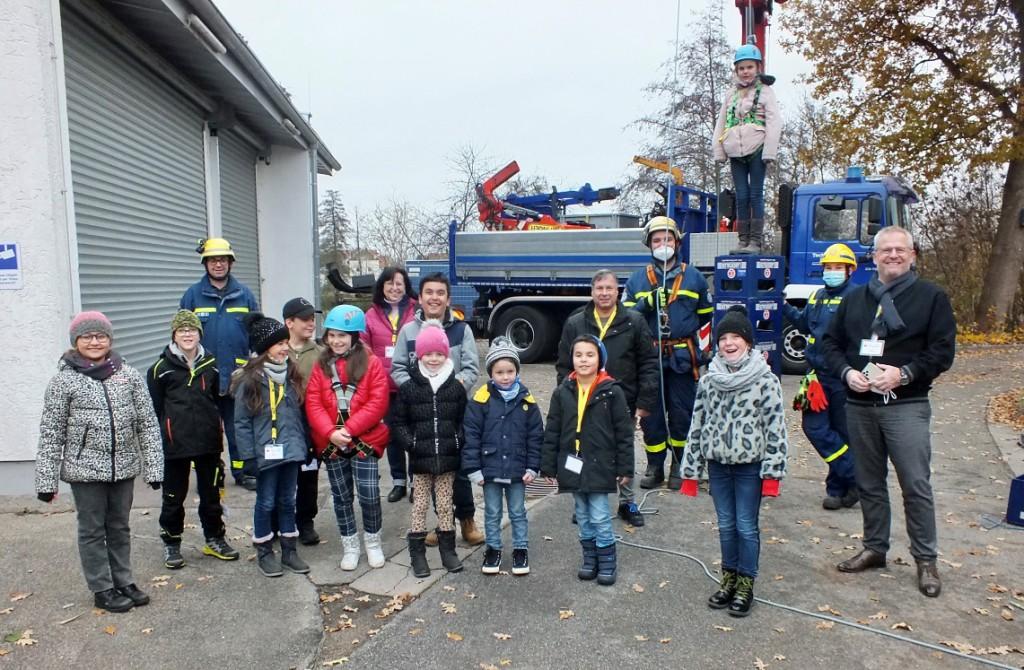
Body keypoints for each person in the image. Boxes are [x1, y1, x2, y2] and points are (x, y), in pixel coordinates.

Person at [821, 226, 956, 598]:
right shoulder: (855, 299)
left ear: (912, 255)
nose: (893, 255)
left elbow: (943, 351)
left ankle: (925, 560)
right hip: (860, 406)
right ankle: (875, 548)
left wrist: (905, 374)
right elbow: (830, 343)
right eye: (886, 250)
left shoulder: (931, 297)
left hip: (906, 405)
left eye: (900, 249)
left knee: (915, 484)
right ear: (874, 256)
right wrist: (846, 373)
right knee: (869, 482)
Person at [35, 311, 163, 612]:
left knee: (119, 527)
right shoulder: (63, 381)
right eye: (87, 336)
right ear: (76, 341)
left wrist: (154, 467)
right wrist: (46, 480)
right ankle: (102, 587)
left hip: (124, 467)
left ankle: (124, 580)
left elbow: (147, 423)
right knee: (92, 530)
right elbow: (51, 432)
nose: (95, 342)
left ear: (110, 339)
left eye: (101, 336)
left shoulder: (128, 375)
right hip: (85, 471)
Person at [679, 306, 789, 617]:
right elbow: (697, 424)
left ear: (748, 342)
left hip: (749, 468)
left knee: (745, 526)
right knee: (726, 525)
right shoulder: (709, 381)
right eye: (723, 338)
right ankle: (728, 579)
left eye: (735, 337)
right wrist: (690, 470)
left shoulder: (765, 380)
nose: (728, 343)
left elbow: (776, 429)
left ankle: (745, 584)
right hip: (719, 467)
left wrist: (772, 473)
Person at [557, 269, 658, 527]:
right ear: (592, 292)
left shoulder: (634, 321)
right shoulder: (576, 323)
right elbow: (563, 365)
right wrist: (566, 399)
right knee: (584, 448)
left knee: (624, 447)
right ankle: (583, 499)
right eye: (599, 288)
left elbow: (648, 363)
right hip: (584, 401)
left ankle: (627, 502)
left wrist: (645, 401)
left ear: (618, 291)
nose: (604, 293)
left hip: (622, 399)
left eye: (609, 288)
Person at [391, 272, 484, 546]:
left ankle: (467, 520)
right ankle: (443, 523)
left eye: (440, 293)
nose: (435, 298)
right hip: (421, 416)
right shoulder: (408, 331)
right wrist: (417, 393)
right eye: (429, 292)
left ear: (448, 299)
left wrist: (450, 391)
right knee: (429, 467)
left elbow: (471, 369)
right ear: (420, 298)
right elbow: (398, 368)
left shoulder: (462, 330)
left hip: (453, 414)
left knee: (460, 468)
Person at [623, 216, 713, 491]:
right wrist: (647, 303)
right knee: (651, 416)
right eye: (657, 240)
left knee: (681, 413)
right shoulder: (637, 280)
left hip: (682, 359)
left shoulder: (694, 277)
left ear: (677, 242)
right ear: (649, 245)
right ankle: (654, 466)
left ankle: (679, 465)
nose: (663, 244)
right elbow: (625, 318)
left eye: (668, 239)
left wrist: (695, 346)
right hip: (650, 358)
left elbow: (705, 317)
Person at [147, 310, 239, 570]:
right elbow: (154, 409)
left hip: (208, 443)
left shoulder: (211, 365)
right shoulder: (159, 370)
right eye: (182, 330)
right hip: (175, 445)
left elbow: (218, 401)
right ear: (174, 335)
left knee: (211, 496)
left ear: (200, 333)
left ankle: (214, 539)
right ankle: (172, 542)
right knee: (173, 497)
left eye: (192, 330)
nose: (187, 334)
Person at [541, 335, 634, 586]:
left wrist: (626, 467)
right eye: (578, 355)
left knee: (600, 515)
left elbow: (624, 433)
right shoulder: (562, 391)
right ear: (571, 358)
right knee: (582, 515)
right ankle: (590, 558)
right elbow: (552, 430)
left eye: (590, 355)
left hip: (600, 464)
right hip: (572, 464)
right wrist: (547, 466)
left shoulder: (612, 392)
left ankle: (607, 561)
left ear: (600, 359)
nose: (584, 360)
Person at [306, 305, 390, 571]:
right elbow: (313, 402)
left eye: (342, 335)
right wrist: (330, 432)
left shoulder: (371, 363)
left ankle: (373, 542)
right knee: (341, 497)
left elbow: (378, 402)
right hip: (332, 443)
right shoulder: (321, 365)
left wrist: (349, 429)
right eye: (331, 335)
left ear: (354, 336)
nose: (336, 341)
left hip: (363, 440)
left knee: (369, 495)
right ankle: (350, 545)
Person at [232, 313, 309, 578]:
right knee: (266, 502)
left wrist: (305, 445)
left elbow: (299, 414)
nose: (285, 348)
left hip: (291, 450)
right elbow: (241, 422)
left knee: (288, 500)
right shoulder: (250, 379)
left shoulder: (291, 375)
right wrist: (248, 457)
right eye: (279, 344)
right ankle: (264, 551)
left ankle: (289, 551)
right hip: (264, 453)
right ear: (265, 348)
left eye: (286, 343)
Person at [783, 244, 860, 511]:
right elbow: (804, 324)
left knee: (842, 433)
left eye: (838, 267)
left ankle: (838, 491)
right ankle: (856, 477)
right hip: (815, 378)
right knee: (814, 428)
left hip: (841, 378)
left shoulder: (856, 297)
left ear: (850, 271)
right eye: (828, 267)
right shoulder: (817, 296)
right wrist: (783, 306)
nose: (832, 272)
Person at [180, 238, 260, 490]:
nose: (218, 264)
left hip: (238, 376)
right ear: (205, 263)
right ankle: (213, 475)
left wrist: (256, 366)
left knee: (240, 428)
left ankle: (244, 472)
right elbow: (182, 335)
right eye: (213, 260)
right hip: (205, 377)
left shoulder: (245, 295)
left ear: (230, 263)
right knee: (206, 430)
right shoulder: (192, 296)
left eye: (223, 260)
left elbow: (257, 334)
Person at [391, 321, 469, 578]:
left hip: (447, 458)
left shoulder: (455, 387)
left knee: (446, 505)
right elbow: (398, 422)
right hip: (420, 459)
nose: (433, 359)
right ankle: (417, 554)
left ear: (446, 355)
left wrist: (457, 441)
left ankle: (448, 551)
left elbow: (463, 420)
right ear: (419, 355)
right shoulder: (409, 388)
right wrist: (411, 444)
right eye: (428, 354)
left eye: (439, 353)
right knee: (420, 505)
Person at [463, 338, 543, 576]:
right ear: (491, 373)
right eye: (499, 372)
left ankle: (520, 549)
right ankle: (493, 549)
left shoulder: (527, 401)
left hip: (518, 469)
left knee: (518, 511)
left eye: (510, 371)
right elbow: (471, 436)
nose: (505, 377)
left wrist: (533, 466)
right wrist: (473, 469)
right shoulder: (480, 400)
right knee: (492, 512)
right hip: (490, 469)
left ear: (517, 371)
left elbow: (536, 436)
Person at [712, 42, 781, 254]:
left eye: (749, 67)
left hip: (757, 148)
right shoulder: (730, 94)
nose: (745, 72)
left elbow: (774, 122)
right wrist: (719, 151)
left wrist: (769, 151)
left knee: (755, 194)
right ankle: (742, 239)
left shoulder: (765, 92)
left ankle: (755, 241)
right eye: (741, 68)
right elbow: (721, 123)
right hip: (735, 152)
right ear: (736, 70)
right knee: (741, 196)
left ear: (757, 68)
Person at [364, 267, 418, 503]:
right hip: (384, 387)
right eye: (389, 283)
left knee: (415, 434)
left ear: (406, 286)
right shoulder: (371, 314)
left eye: (399, 283)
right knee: (392, 435)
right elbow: (364, 347)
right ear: (382, 286)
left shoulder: (417, 311)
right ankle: (398, 481)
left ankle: (416, 481)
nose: (394, 288)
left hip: (412, 385)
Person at [282, 297, 324, 545]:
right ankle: (279, 521)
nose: (311, 324)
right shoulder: (276, 349)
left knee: (308, 475)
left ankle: (305, 521)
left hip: (310, 425)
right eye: (305, 319)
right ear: (289, 322)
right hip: (283, 425)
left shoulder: (319, 353)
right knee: (282, 476)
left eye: (312, 319)